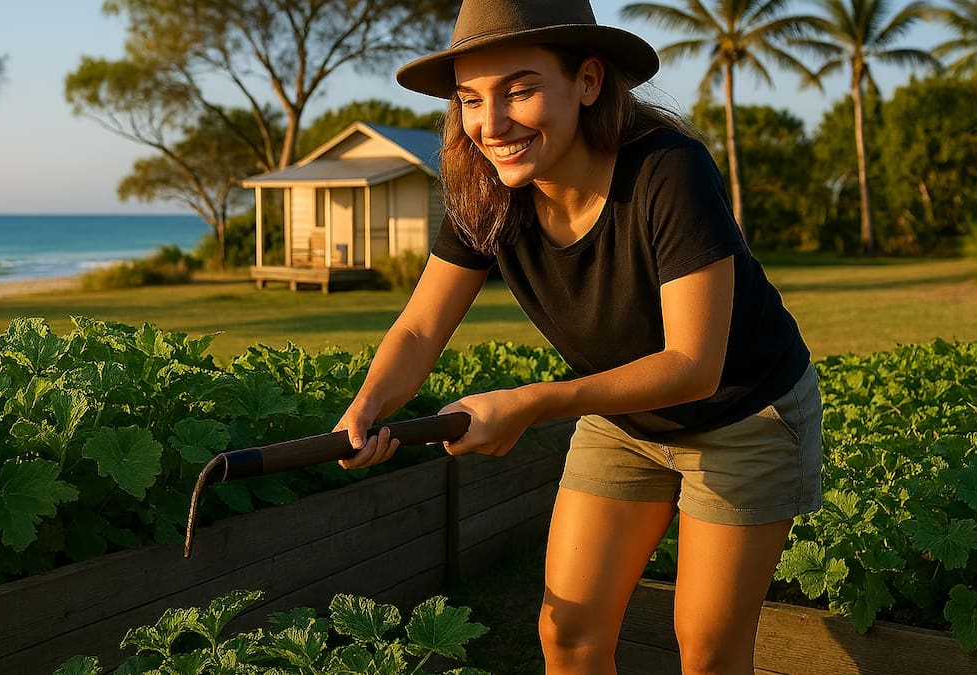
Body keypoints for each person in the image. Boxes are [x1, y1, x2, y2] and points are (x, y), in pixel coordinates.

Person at [334, 1, 823, 673]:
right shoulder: (486, 194)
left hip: (743, 412)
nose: (491, 123)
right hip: (624, 418)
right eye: (471, 100)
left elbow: (692, 363)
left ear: (589, 82)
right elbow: (420, 325)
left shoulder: (667, 171)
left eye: (520, 90)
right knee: (568, 634)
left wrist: (532, 400)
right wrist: (368, 405)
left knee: (708, 650)